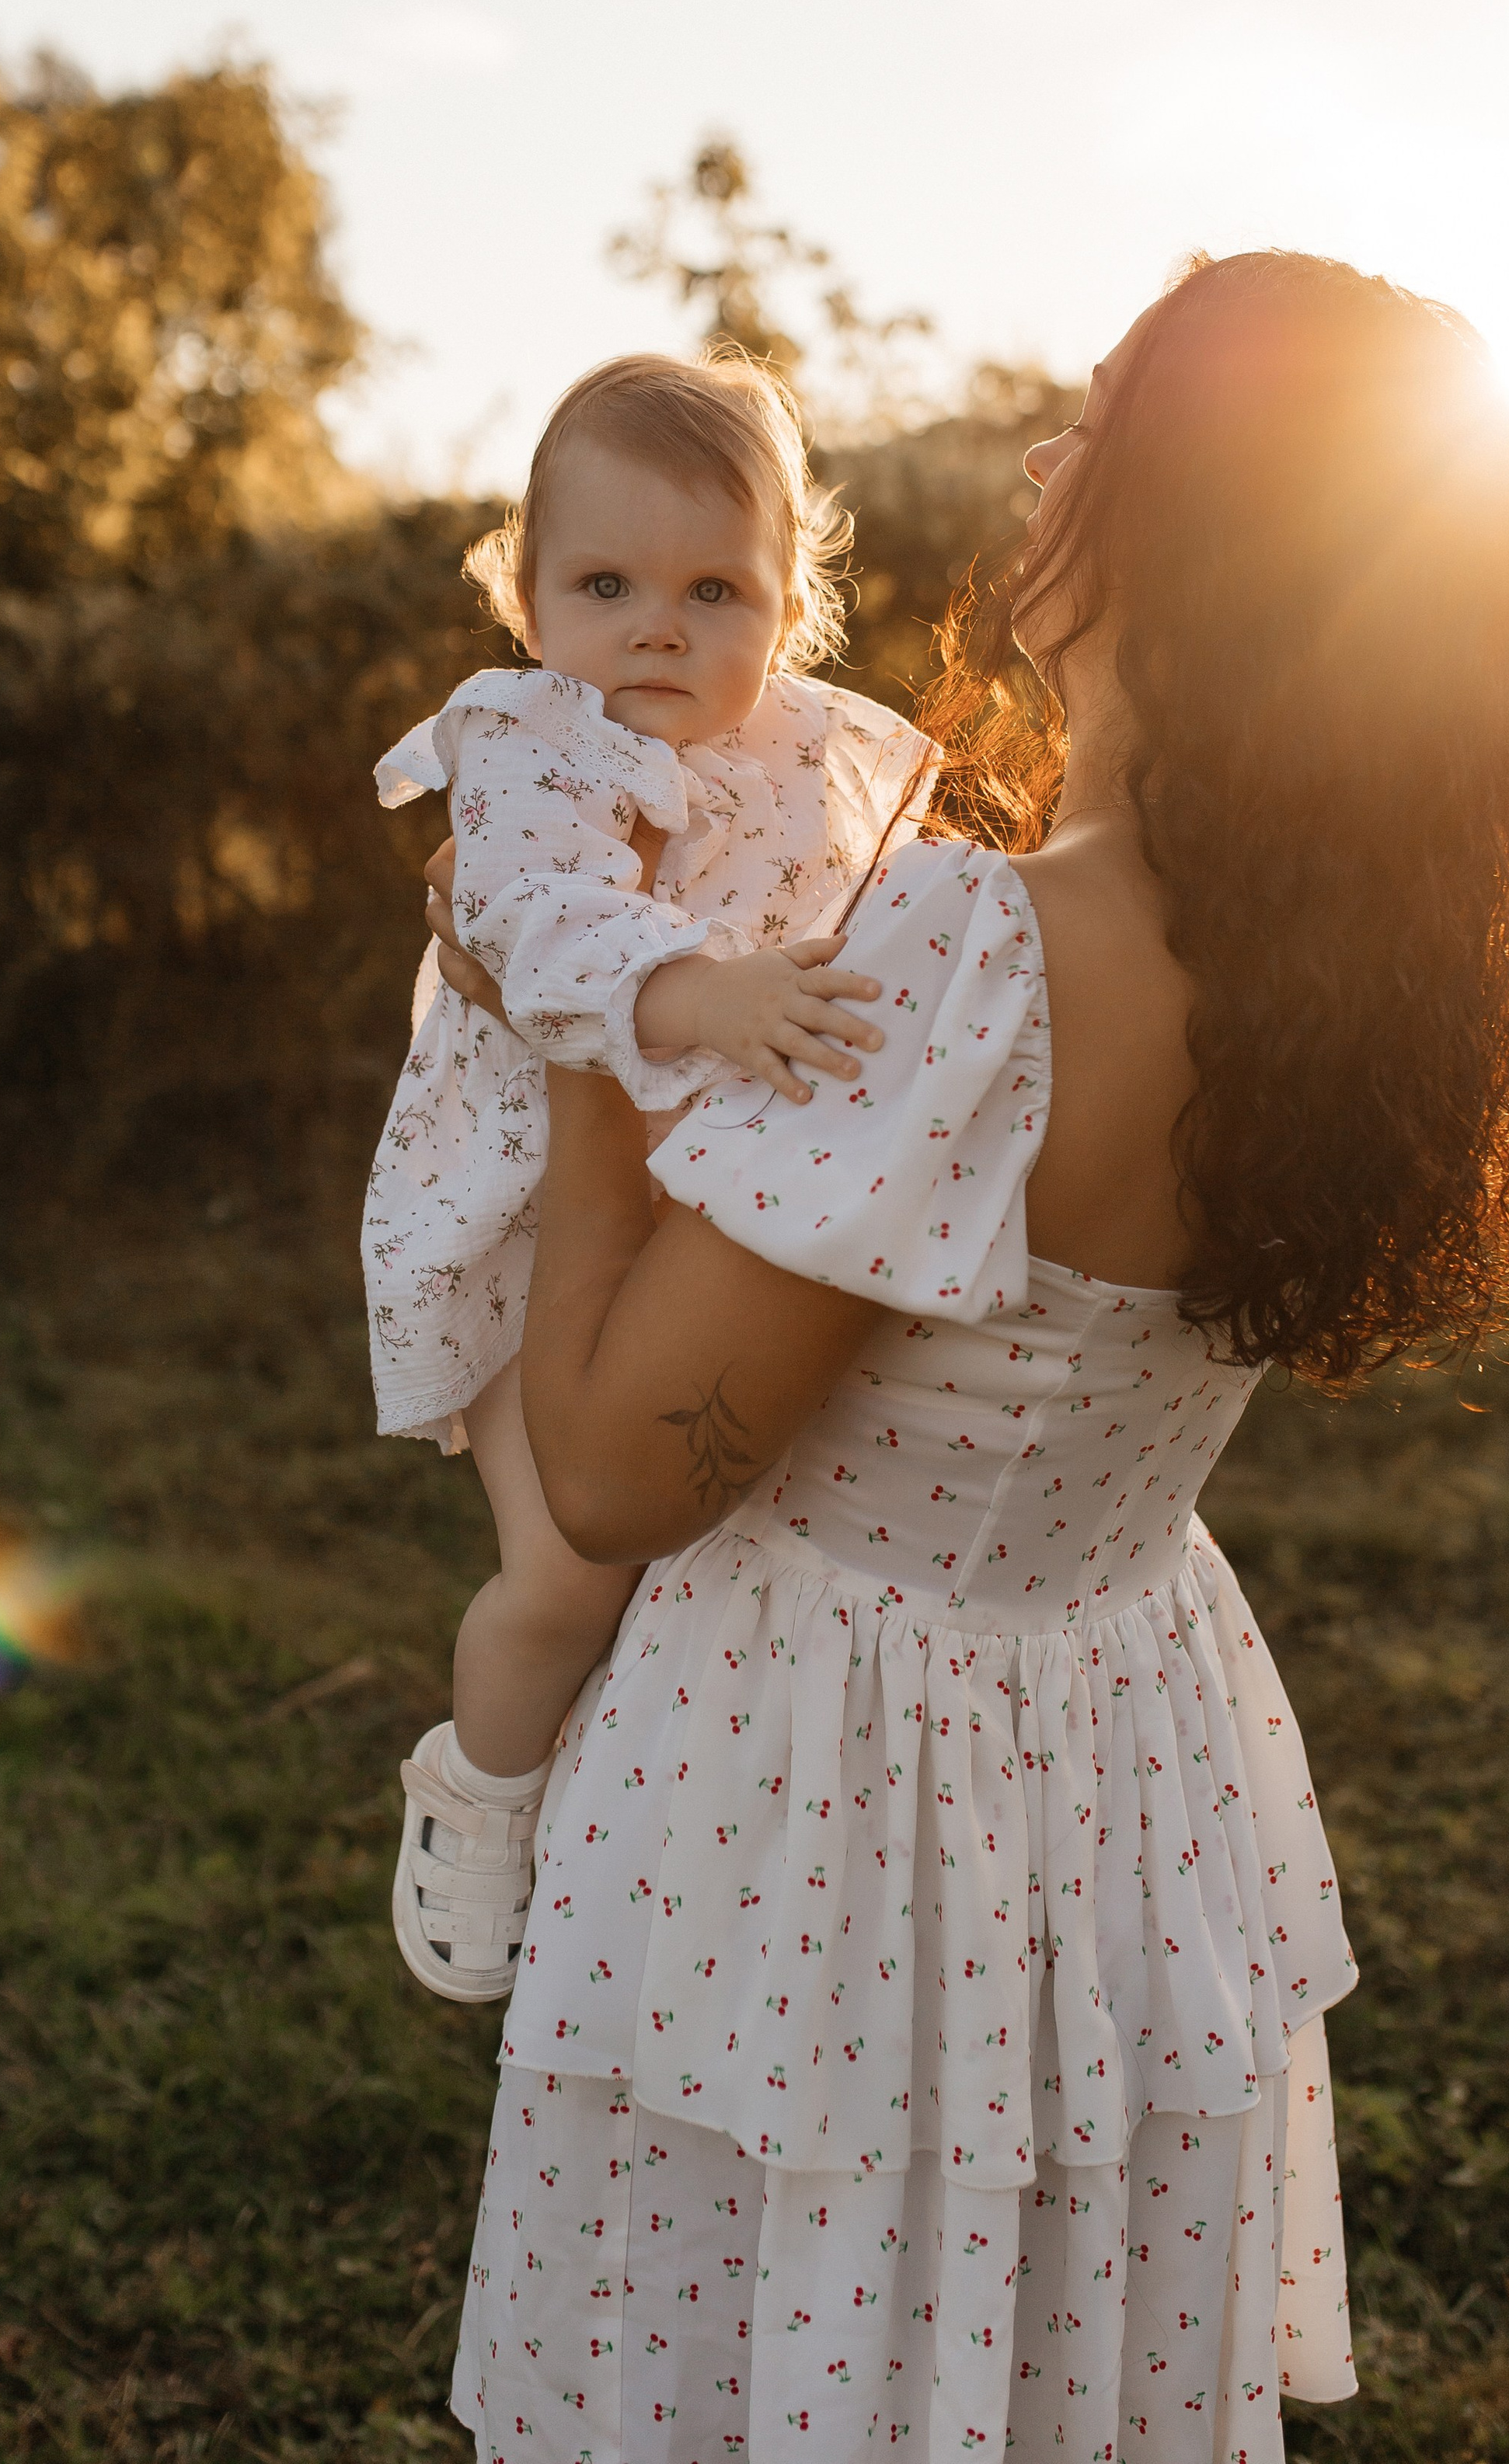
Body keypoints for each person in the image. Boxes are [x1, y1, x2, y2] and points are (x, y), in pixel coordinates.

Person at [428, 252, 1509, 2462]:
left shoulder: (990, 949)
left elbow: (606, 1473)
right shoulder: (1354, 984)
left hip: (827, 1794)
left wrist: (571, 1023)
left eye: (1094, 425)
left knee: (761, 2360)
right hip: (1115, 1750)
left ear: (1188, 529)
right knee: (1033, 2364)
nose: (1042, 462)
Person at [369, 351, 933, 2003]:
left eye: (715, 589)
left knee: (707, 1575)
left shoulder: (829, 747)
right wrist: (711, 996)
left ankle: (640, 1837)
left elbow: (922, 885)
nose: (658, 630)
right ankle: (475, 1790)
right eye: (603, 584)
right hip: (522, 1212)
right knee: (563, 1576)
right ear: (525, 592)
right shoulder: (531, 747)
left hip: (717, 1215)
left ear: (789, 602)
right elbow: (541, 929)